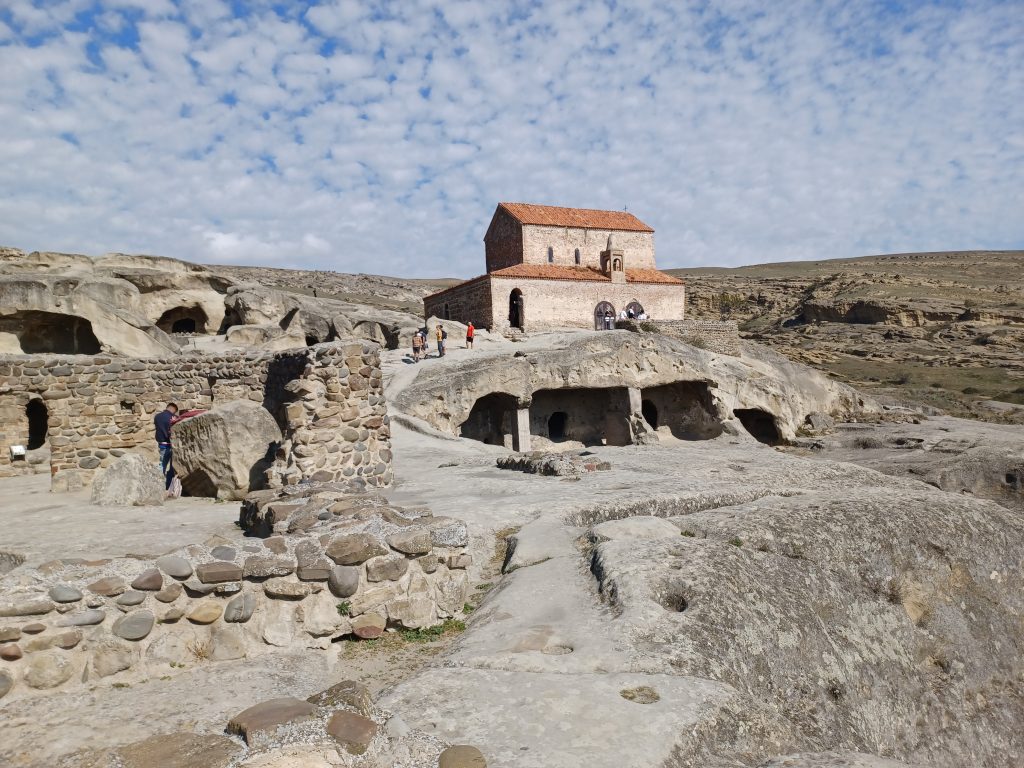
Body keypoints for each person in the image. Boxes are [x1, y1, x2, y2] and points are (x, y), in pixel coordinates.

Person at [154, 402, 178, 490]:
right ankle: (167, 486)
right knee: (172, 467)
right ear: (173, 409)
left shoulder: (157, 417)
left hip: (162, 444)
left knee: (162, 465)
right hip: (171, 444)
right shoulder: (173, 418)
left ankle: (158, 485)